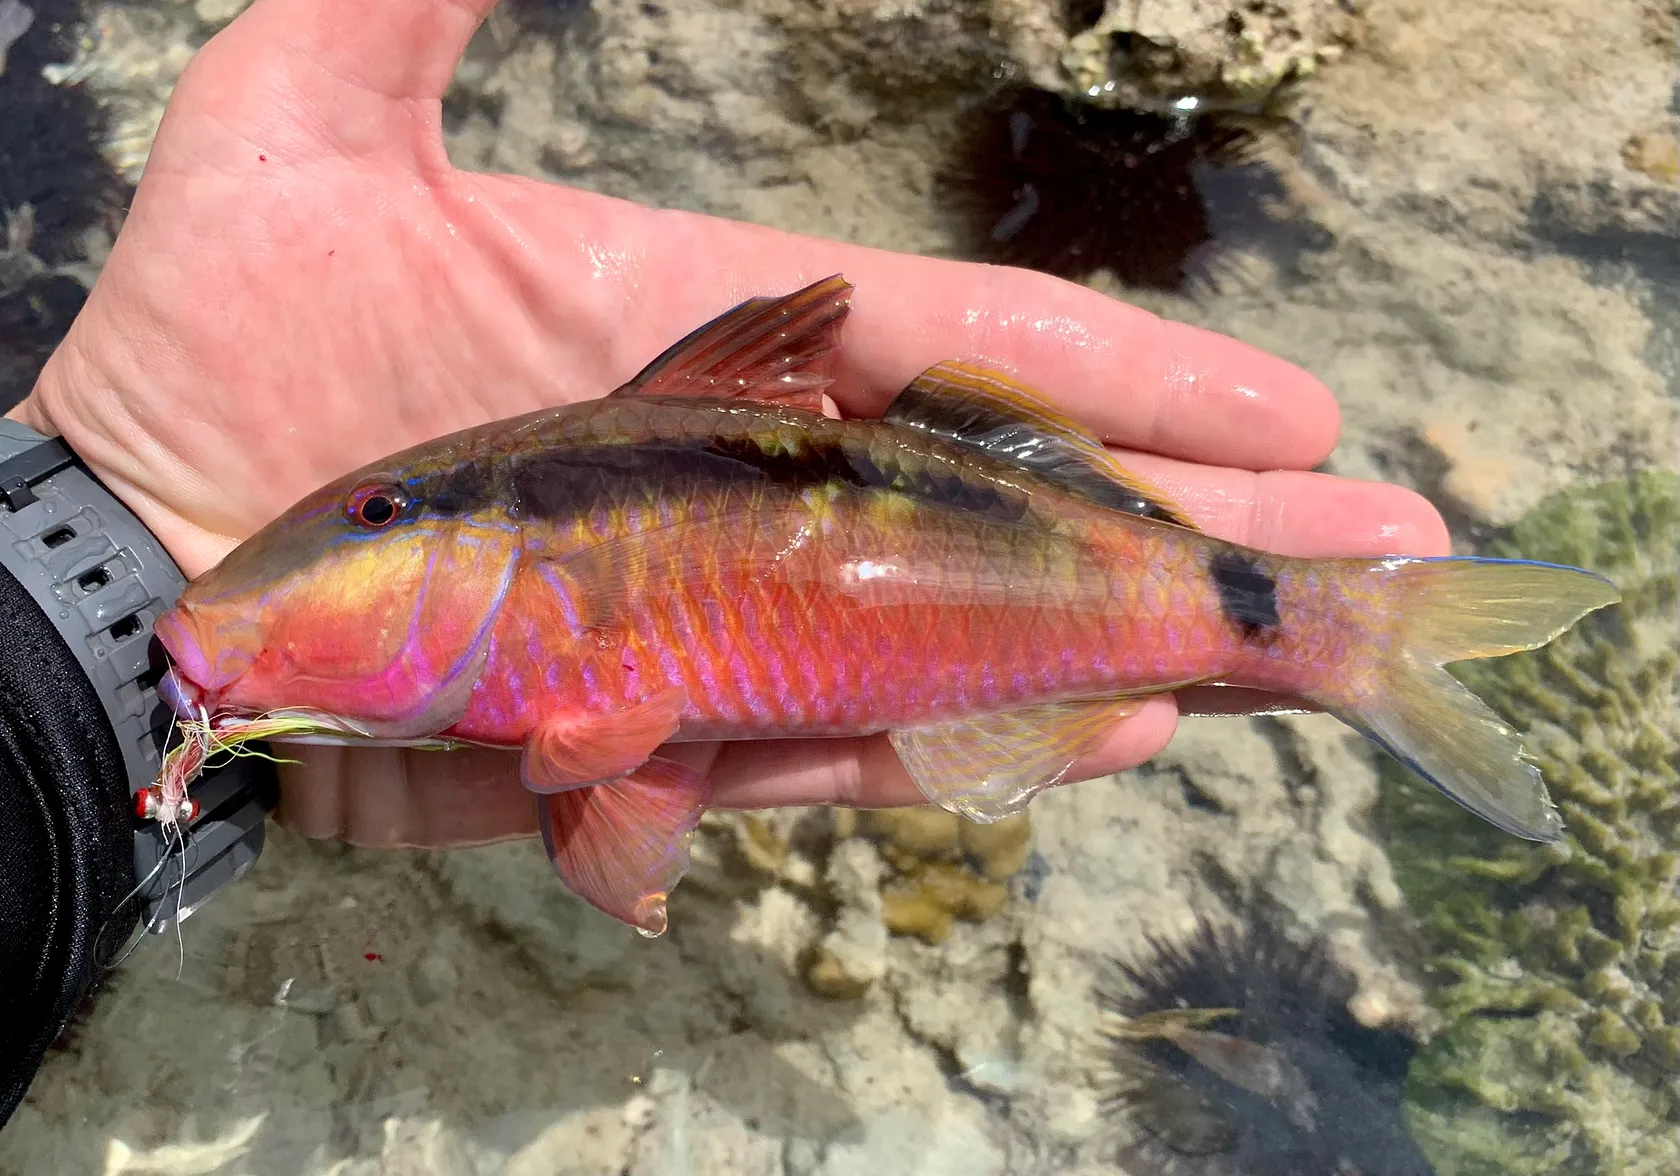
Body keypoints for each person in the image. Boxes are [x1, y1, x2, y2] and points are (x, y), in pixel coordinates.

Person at [6, 0, 1448, 852]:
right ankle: (1298, 623)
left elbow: (603, 741)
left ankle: (1319, 625)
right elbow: (603, 748)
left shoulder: (547, 549)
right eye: (375, 510)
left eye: (379, 512)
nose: (360, 516)